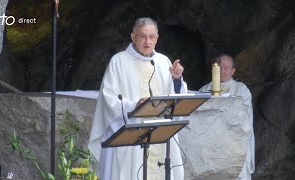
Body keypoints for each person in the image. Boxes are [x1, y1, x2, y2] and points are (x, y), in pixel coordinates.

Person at [88, 17, 187, 180]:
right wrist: (134, 105)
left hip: (160, 136)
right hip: (132, 134)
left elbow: (174, 100)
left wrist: (177, 79)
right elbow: (109, 99)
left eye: (152, 37)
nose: (147, 41)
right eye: (143, 36)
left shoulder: (163, 62)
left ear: (157, 38)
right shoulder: (118, 62)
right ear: (133, 37)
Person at [199, 53, 255, 180]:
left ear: (233, 71)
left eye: (226, 68)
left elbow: (242, 116)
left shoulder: (242, 90)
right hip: (211, 146)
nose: (222, 71)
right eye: (219, 67)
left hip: (235, 144)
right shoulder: (204, 90)